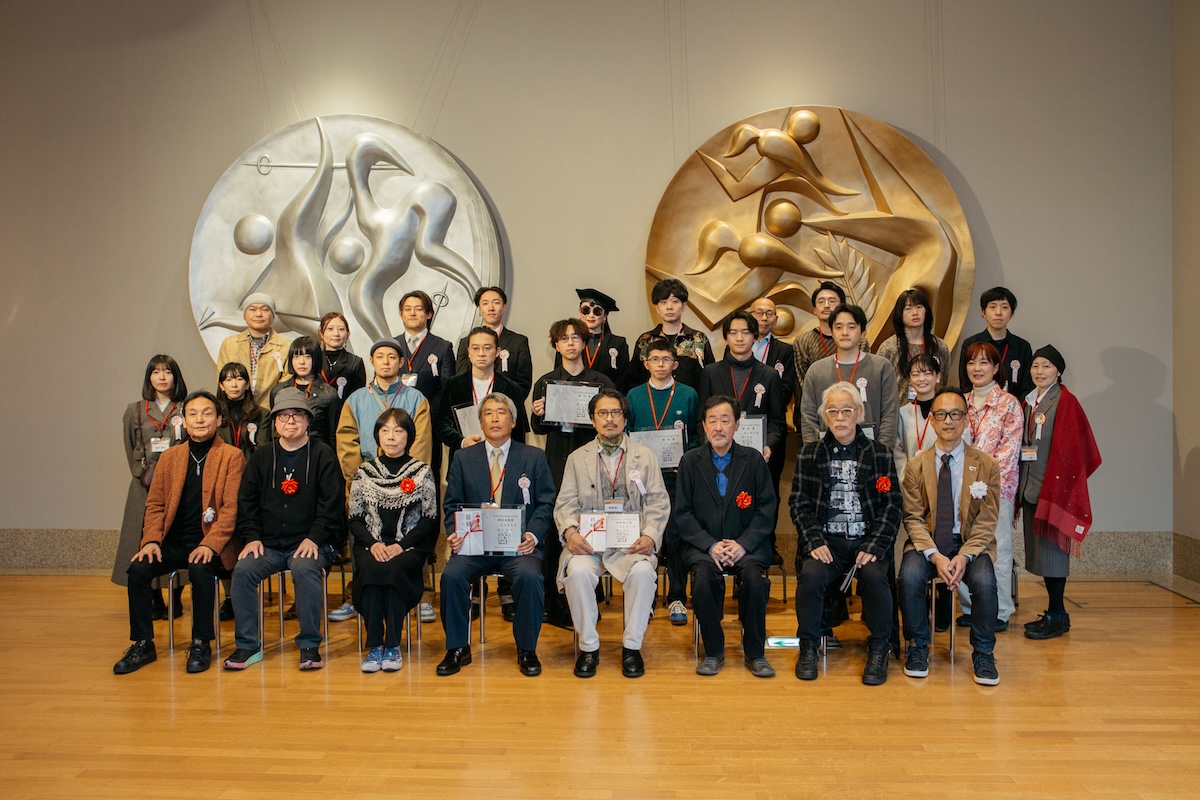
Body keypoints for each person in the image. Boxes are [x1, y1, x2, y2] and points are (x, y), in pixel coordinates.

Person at [113, 391, 245, 674]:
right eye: (193, 414)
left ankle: (201, 642)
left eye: (207, 413)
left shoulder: (232, 456)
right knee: (138, 569)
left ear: (219, 419)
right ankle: (143, 643)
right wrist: (150, 541)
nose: (200, 419)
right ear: (183, 421)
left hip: (212, 543)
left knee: (200, 569)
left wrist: (209, 545)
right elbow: (156, 505)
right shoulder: (171, 457)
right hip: (173, 542)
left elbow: (230, 509)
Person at [223, 389, 345, 671]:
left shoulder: (323, 455)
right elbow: (247, 502)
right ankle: (247, 645)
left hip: (313, 542)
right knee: (243, 570)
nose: (291, 421)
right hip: (269, 543)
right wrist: (252, 538)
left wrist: (314, 538)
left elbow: (333, 505)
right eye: (284, 416)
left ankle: (309, 645)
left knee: (304, 568)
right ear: (275, 422)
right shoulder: (262, 456)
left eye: (298, 415)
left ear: (308, 420)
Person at [437, 393, 556, 677]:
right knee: (451, 576)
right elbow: (451, 504)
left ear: (513, 421)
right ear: (480, 423)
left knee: (530, 576)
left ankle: (527, 649)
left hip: (518, 547)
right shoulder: (463, 458)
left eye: (501, 412)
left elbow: (545, 503)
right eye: (488, 413)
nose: (494, 418)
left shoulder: (534, 457)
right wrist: (455, 533)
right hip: (475, 546)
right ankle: (457, 647)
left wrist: (533, 535)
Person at [791, 382, 901, 685]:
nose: (840, 417)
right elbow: (798, 503)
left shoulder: (879, 454)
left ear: (859, 413)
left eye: (847, 411)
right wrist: (814, 540)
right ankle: (808, 646)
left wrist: (875, 544)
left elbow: (892, 505)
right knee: (811, 575)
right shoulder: (809, 454)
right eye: (833, 411)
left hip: (867, 542)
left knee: (876, 577)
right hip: (827, 543)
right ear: (824, 416)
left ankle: (879, 648)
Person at [555, 390, 670, 678]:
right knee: (577, 573)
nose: (610, 419)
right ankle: (589, 647)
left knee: (643, 573)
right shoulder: (577, 458)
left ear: (625, 418)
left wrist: (650, 535)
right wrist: (570, 532)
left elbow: (658, 502)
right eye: (603, 413)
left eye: (616, 412)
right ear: (593, 420)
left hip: (632, 545)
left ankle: (632, 647)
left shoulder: (645, 456)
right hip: (589, 544)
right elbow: (565, 503)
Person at [897, 389, 1002, 685]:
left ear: (966, 420)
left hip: (969, 545)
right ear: (931, 420)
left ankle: (984, 653)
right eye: (941, 414)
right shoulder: (916, 466)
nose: (948, 421)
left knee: (985, 582)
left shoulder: (987, 465)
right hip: (928, 544)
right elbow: (913, 518)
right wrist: (936, 556)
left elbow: (987, 520)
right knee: (909, 577)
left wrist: (964, 556)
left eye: (956, 414)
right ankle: (917, 647)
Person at [675, 396, 778, 678]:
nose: (718, 427)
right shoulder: (690, 461)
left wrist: (743, 544)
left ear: (737, 424)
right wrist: (710, 545)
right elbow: (683, 513)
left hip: (747, 546)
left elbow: (766, 509)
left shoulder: (753, 460)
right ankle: (713, 650)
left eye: (725, 420)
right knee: (702, 581)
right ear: (704, 425)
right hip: (704, 546)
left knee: (755, 581)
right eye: (712, 420)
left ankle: (755, 653)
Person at [332, 339, 433, 622]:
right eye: (380, 357)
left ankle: (421, 595)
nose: (386, 362)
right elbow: (346, 442)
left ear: (401, 363)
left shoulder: (416, 398)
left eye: (392, 357)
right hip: (366, 482)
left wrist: (408, 478)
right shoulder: (355, 399)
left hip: (407, 483)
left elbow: (422, 442)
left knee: (412, 533)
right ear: (372, 362)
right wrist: (362, 478)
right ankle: (357, 596)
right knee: (363, 538)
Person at [531, 318, 618, 626]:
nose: (570, 343)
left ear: (585, 343)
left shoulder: (601, 383)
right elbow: (538, 428)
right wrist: (539, 412)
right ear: (556, 345)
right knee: (555, 533)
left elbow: (612, 427)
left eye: (575, 338)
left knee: (588, 528)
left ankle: (587, 600)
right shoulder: (546, 382)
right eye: (564, 339)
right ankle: (553, 604)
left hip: (591, 467)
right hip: (555, 465)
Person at [1018, 345, 1102, 640]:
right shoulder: (1029, 401)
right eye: (1035, 366)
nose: (1040, 371)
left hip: (1052, 490)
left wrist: (1060, 487)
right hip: (1031, 488)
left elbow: (1075, 448)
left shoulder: (1065, 401)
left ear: (1058, 371)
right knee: (1042, 555)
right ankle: (1056, 612)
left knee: (1053, 554)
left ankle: (1057, 615)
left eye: (1047, 366)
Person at [348, 408, 438, 673]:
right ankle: (375, 644)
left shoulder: (422, 471)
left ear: (408, 436)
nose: (391, 437)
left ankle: (393, 644)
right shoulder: (364, 471)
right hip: (371, 544)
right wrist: (374, 544)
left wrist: (400, 546)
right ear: (377, 435)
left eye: (398, 431)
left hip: (408, 545)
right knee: (372, 568)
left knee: (394, 569)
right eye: (385, 430)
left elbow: (429, 518)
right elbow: (354, 518)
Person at [698, 310, 787, 558]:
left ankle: (757, 550)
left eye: (746, 332)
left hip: (756, 457)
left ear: (755, 337)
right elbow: (701, 419)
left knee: (757, 503)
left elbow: (777, 421)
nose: (739, 338)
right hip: (718, 456)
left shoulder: (769, 375)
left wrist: (769, 446)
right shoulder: (711, 373)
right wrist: (707, 450)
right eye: (733, 333)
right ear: (726, 337)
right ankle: (719, 550)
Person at [625, 338, 700, 625]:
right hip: (642, 481)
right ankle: (647, 597)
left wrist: (687, 461)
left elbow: (696, 436)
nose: (660, 364)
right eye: (654, 359)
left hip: (676, 478)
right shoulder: (633, 395)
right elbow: (627, 435)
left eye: (666, 359)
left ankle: (676, 597)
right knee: (647, 536)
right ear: (646, 364)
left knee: (675, 537)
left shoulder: (688, 394)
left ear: (675, 364)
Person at [113, 355, 189, 621]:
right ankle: (155, 599)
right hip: (145, 484)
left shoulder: (185, 408)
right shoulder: (135, 410)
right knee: (144, 537)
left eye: (167, 372)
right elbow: (130, 447)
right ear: (149, 378)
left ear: (176, 377)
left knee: (176, 537)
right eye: (156, 372)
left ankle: (176, 598)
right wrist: (142, 474)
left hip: (178, 481)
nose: (162, 377)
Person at [959, 342, 1023, 632]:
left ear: (996, 368)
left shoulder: (1009, 404)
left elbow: (1008, 454)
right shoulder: (960, 403)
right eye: (972, 362)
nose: (977, 368)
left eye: (984, 363)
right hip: (961, 490)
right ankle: (970, 607)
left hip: (996, 491)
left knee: (998, 550)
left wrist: (984, 486)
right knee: (963, 547)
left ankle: (1000, 610)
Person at [799, 303, 899, 451]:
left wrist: (881, 452)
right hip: (827, 452)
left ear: (863, 332)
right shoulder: (816, 370)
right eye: (839, 327)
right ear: (831, 331)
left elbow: (890, 414)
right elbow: (808, 417)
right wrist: (815, 452)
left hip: (872, 451)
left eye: (851, 327)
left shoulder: (881, 367)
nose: (845, 332)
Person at [215, 361, 270, 620]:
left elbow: (263, 450)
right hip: (221, 483)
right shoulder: (216, 416)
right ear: (221, 385)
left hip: (251, 483)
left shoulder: (261, 415)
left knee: (247, 536)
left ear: (247, 384)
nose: (234, 384)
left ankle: (247, 592)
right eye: (229, 379)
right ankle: (229, 597)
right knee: (225, 540)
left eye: (239, 379)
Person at [436, 327, 529, 466]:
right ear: (468, 352)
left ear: (497, 352)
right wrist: (461, 441)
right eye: (475, 348)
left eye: (487, 348)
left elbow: (518, 431)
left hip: (501, 459)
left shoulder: (511, 388)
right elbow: (441, 425)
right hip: (464, 459)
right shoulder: (454, 385)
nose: (481, 354)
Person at [791, 281, 867, 429]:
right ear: (814, 309)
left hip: (852, 416)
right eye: (821, 301)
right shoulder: (803, 341)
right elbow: (804, 382)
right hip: (816, 417)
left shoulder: (859, 341)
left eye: (832, 301)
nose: (826, 305)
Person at [623, 278, 714, 391]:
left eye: (675, 301)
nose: (669, 307)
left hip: (690, 400)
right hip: (652, 400)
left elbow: (710, 378)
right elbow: (633, 379)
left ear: (683, 305)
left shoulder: (698, 339)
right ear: (657, 308)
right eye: (664, 302)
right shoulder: (645, 341)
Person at [454, 286, 534, 402]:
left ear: (504, 307)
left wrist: (504, 406)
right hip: (471, 405)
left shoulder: (518, 342)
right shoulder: (465, 342)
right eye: (485, 303)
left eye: (496, 303)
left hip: (506, 407)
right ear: (479, 309)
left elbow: (523, 383)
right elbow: (460, 377)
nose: (491, 308)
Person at [957, 287, 1035, 401]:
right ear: (983, 312)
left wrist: (1012, 406)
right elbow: (965, 383)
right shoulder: (971, 344)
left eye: (1004, 307)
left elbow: (1027, 386)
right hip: (978, 407)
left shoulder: (1022, 347)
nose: (998, 312)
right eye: (992, 307)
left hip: (1013, 408)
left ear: (1012, 313)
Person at [875, 288, 951, 403]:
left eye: (919, 307)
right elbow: (878, 383)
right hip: (898, 411)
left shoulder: (940, 347)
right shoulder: (889, 347)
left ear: (926, 311)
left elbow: (943, 381)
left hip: (933, 410)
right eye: (908, 308)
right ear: (900, 314)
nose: (915, 313)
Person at [215, 293, 289, 408]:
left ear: (273, 315)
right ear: (245, 315)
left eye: (265, 309)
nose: (258, 314)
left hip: (271, 409)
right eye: (253, 309)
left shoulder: (286, 346)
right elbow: (223, 378)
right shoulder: (229, 344)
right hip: (236, 409)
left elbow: (287, 381)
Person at [269, 336, 339, 448]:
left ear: (316, 359)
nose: (301, 362)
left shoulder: (329, 394)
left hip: (317, 449)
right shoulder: (278, 391)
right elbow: (274, 429)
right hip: (285, 449)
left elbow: (332, 434)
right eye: (296, 357)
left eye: (307, 357)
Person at [555, 288, 628, 387]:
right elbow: (559, 374)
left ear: (605, 316)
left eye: (597, 311)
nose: (591, 315)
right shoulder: (569, 342)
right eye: (586, 310)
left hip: (607, 393)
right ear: (580, 313)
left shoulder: (618, 343)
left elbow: (623, 380)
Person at [895, 354, 942, 479]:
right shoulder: (902, 413)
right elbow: (898, 452)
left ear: (937, 377)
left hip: (941, 479)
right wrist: (906, 479)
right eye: (916, 374)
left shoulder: (945, 412)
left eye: (927, 373)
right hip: (910, 480)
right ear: (909, 379)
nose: (921, 379)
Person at [317, 311, 367, 425]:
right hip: (316, 420)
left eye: (341, 329)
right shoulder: (314, 359)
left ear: (348, 334)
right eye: (330, 329)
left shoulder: (355, 362)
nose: (336, 334)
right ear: (322, 333)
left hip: (343, 419)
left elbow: (358, 398)